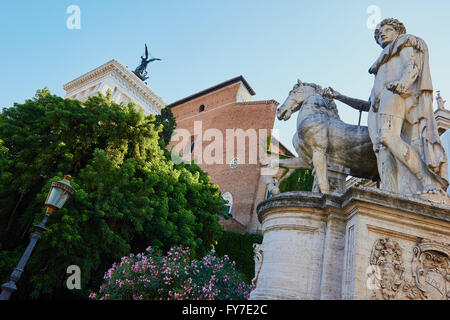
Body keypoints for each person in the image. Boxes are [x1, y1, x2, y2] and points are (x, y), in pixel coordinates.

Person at [323, 18, 448, 195]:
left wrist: (403, 84)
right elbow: (366, 104)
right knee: (382, 150)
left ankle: (427, 180)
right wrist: (340, 97)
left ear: (398, 31)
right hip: (378, 106)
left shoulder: (403, 43)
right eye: (379, 34)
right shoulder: (380, 65)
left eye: (387, 30)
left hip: (395, 94)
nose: (382, 34)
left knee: (389, 137)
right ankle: (391, 192)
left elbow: (412, 66)